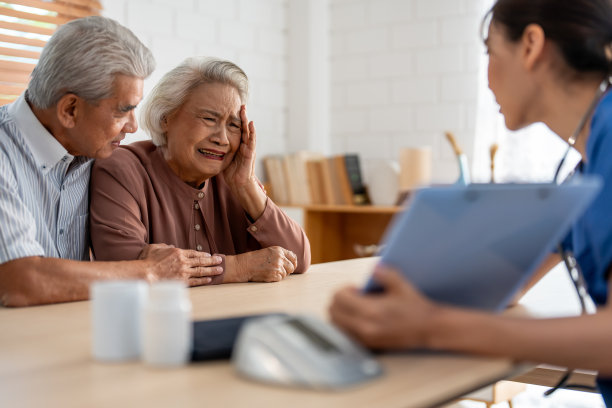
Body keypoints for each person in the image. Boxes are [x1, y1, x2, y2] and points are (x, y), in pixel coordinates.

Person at [329, 0, 612, 405]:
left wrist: (431, 327)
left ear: (531, 45)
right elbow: (504, 283)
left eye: (489, 53)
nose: (488, 78)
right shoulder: (587, 167)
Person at [0, 17, 221, 307]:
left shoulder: (89, 149)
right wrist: (152, 271)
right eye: (123, 111)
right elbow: (20, 280)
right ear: (70, 109)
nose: (132, 127)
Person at [89, 57, 310, 284]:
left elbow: (298, 259)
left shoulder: (234, 180)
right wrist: (239, 267)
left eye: (233, 125)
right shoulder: (121, 169)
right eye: (209, 118)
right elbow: (124, 267)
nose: (222, 139)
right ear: (166, 118)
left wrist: (247, 186)